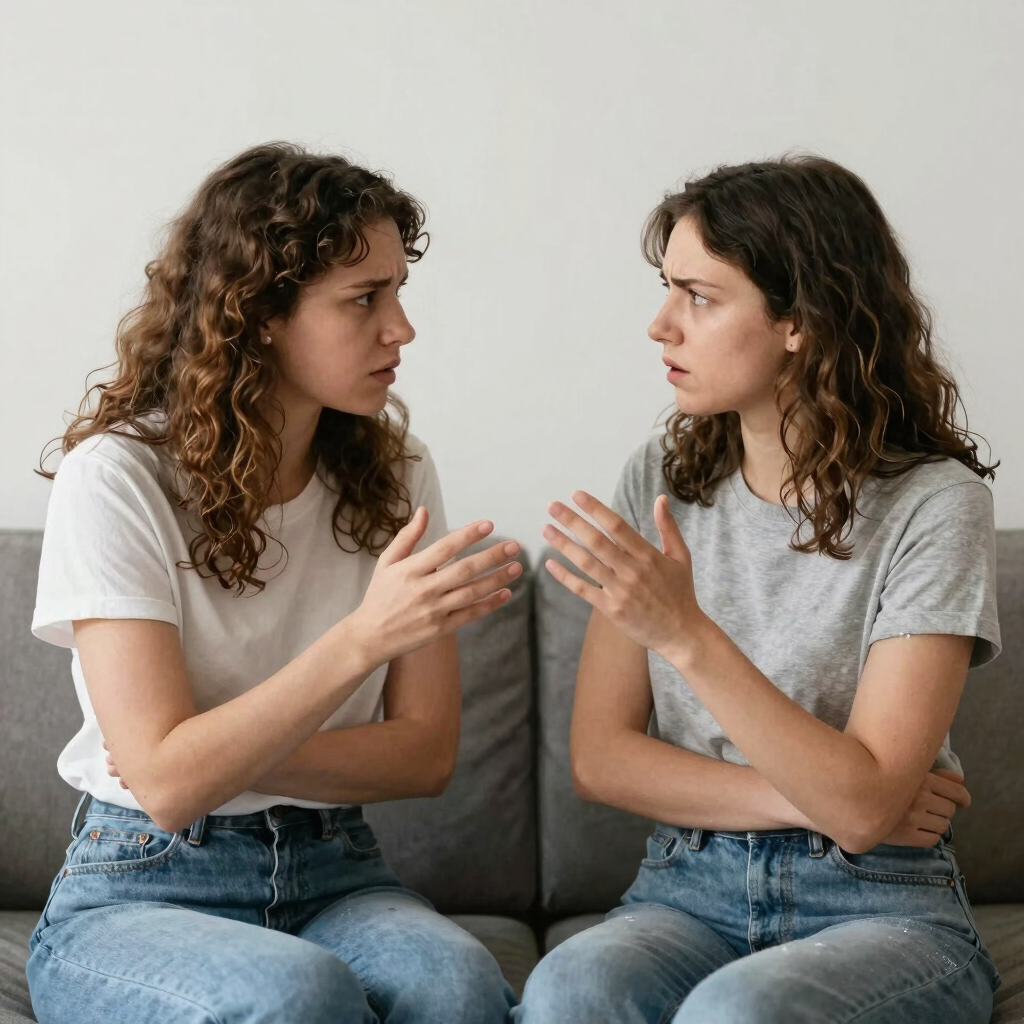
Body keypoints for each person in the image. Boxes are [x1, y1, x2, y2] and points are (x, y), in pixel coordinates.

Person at [27, 142, 518, 1024]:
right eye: (365, 298)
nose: (401, 328)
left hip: (335, 865)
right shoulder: (117, 478)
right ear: (256, 314)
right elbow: (167, 793)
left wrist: (205, 754)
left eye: (399, 292)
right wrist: (362, 640)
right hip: (143, 884)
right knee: (298, 994)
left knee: (457, 986)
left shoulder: (399, 472)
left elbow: (425, 755)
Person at [517, 156, 1001, 1024]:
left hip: (876, 902)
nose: (661, 326)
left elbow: (862, 808)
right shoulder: (660, 479)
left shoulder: (936, 504)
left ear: (799, 322)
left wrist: (686, 634)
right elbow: (601, 757)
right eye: (667, 290)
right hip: (686, 888)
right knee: (568, 990)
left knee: (741, 1012)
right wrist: (812, 801)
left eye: (699, 297)